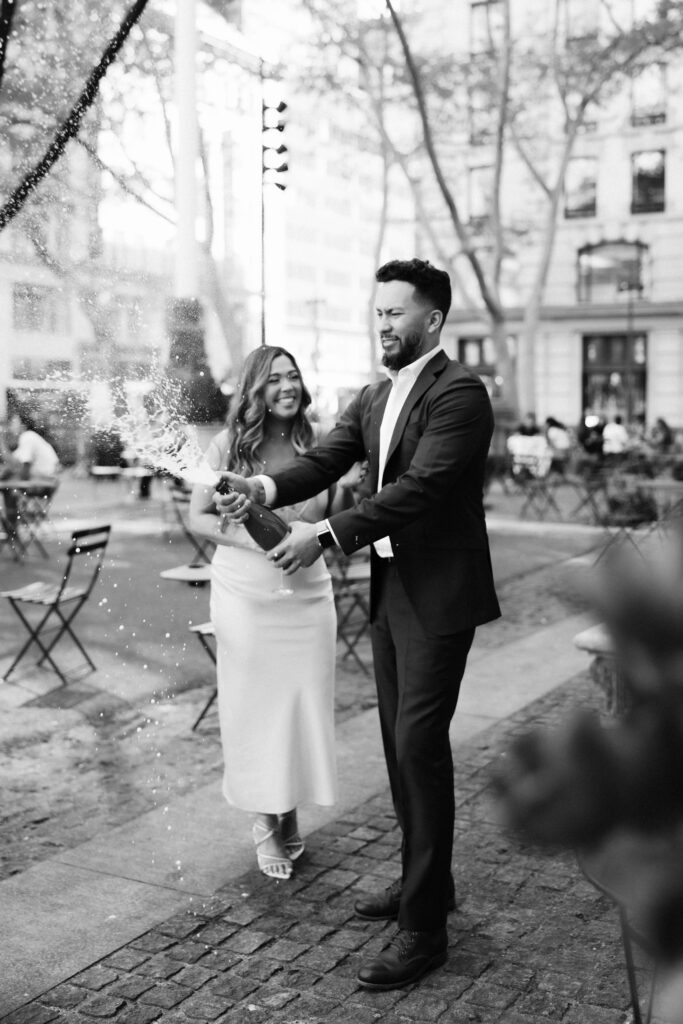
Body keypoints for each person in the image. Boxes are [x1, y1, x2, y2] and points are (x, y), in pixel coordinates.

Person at [218, 259, 501, 990]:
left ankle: (424, 930)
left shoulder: (460, 393)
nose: (382, 324)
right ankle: (424, 886)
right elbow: (323, 462)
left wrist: (324, 534)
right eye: (376, 313)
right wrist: (262, 486)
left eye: (394, 313)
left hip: (439, 595)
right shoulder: (375, 396)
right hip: (390, 590)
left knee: (417, 746)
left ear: (431, 320)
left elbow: (425, 486)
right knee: (395, 743)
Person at [188, 346, 360, 883]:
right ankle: (267, 821)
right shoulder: (226, 446)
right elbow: (198, 519)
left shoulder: (321, 446)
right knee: (256, 705)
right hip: (247, 594)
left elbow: (332, 519)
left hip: (308, 592)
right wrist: (248, 537)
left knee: (300, 702)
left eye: (293, 377)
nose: (287, 386)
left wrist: (351, 498)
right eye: (274, 379)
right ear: (255, 390)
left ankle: (288, 811)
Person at [0, 413, 60, 549]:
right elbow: (13, 464)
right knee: (8, 486)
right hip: (47, 482)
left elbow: (22, 470)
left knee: (8, 489)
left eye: (13, 422)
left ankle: (11, 532)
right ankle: (11, 531)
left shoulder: (27, 437)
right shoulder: (29, 438)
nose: (10, 426)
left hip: (45, 483)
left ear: (23, 424)